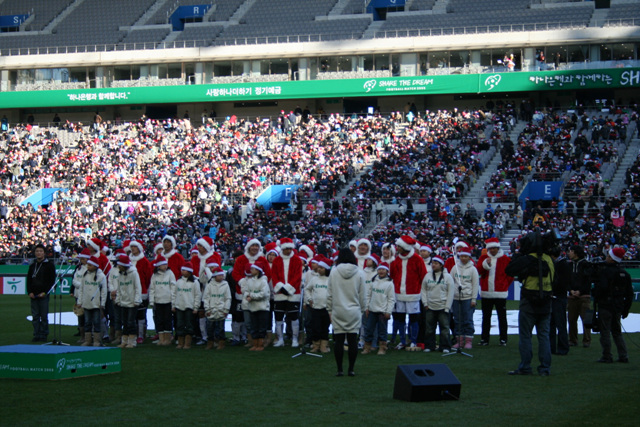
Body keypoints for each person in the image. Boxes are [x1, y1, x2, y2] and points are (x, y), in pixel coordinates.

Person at [505, 232, 555, 376]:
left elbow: (509, 270)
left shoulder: (527, 259)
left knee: (525, 336)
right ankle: (545, 368)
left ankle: (525, 366)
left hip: (529, 303)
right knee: (544, 336)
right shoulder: (549, 260)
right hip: (546, 302)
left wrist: (519, 255)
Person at [327, 248, 366, 377]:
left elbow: (330, 294)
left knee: (338, 341)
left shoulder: (334, 272)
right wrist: (362, 309)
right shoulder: (360, 273)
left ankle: (339, 369)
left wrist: (329, 310)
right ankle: (351, 369)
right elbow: (362, 295)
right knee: (352, 341)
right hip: (354, 310)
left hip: (338, 309)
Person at [594, 247, 633, 363]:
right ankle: (623, 355)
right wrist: (625, 309)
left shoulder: (605, 272)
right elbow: (629, 294)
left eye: (608, 256)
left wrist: (597, 294)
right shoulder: (624, 274)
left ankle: (607, 355)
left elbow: (602, 288)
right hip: (618, 306)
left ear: (611, 258)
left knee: (605, 331)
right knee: (617, 332)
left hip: (606, 304)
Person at [390, 235, 427, 351]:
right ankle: (402, 341)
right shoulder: (396, 259)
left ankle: (413, 340)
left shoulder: (417, 259)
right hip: (399, 293)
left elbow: (423, 276)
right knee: (400, 319)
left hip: (413, 294)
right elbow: (393, 275)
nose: (397, 248)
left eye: (399, 246)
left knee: (413, 319)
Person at [477, 237, 512, 346]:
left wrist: (504, 285)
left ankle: (503, 339)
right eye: (490, 248)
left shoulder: (505, 259)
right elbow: (479, 271)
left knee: (502, 317)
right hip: (486, 292)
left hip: (500, 293)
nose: (492, 250)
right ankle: (484, 339)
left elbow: (510, 275)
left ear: (498, 248)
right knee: (486, 317)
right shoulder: (483, 258)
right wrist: (485, 265)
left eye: (494, 248)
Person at [271, 238, 303, 347]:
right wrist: (280, 287)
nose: (289, 251)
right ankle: (280, 339)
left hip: (293, 293)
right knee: (278, 317)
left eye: (290, 248)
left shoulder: (297, 260)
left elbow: (298, 276)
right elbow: (274, 276)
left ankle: (295, 339)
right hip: (280, 294)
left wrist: (288, 288)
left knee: (294, 317)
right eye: (286, 248)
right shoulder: (276, 260)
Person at [421, 256, 455, 353]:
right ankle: (429, 346)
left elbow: (450, 293)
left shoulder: (447, 277)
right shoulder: (427, 276)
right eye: (432, 263)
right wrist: (425, 303)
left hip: (443, 306)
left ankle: (445, 346)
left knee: (444, 328)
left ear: (441, 265)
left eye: (436, 263)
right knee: (429, 328)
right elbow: (423, 290)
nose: (433, 265)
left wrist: (447, 306)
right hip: (430, 306)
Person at [449, 248, 479, 350]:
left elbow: (475, 285)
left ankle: (469, 340)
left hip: (468, 298)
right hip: (456, 298)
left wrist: (473, 299)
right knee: (457, 320)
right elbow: (451, 282)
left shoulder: (473, 269)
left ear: (469, 257)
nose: (463, 258)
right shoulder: (455, 268)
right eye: (462, 256)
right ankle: (459, 341)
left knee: (468, 320)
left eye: (465, 256)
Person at [363, 262, 395, 355]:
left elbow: (391, 299)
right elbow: (368, 295)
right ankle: (367, 347)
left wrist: (388, 311)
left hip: (382, 312)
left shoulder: (389, 284)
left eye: (383, 269)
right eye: (379, 269)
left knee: (382, 331)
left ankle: (382, 348)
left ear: (387, 271)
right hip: (372, 310)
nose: (381, 271)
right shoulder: (374, 281)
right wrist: (367, 307)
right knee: (368, 329)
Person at [26, 244, 56, 342]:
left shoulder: (49, 265)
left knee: (43, 316)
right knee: (35, 316)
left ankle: (43, 334)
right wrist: (29, 292)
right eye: (37, 251)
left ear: (44, 253)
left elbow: (51, 280)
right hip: (33, 294)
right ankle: (36, 334)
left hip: (43, 294)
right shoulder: (32, 265)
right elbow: (29, 280)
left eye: (40, 251)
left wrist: (45, 292)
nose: (39, 253)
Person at [76, 256, 107, 347]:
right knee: (87, 322)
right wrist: (79, 301)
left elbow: (104, 291)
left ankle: (97, 340)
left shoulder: (101, 276)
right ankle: (88, 340)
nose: (88, 267)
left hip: (96, 304)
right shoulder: (85, 275)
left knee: (96, 322)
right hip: (86, 303)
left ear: (95, 266)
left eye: (90, 265)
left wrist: (103, 303)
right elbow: (81, 289)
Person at [113, 255, 142, 349]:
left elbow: (138, 287)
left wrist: (137, 299)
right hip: (123, 302)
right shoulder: (120, 274)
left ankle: (132, 341)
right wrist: (118, 299)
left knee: (131, 322)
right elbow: (119, 288)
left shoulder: (134, 273)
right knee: (124, 322)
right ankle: (124, 341)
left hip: (132, 302)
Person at [304, 256, 332, 354]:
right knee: (315, 327)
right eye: (318, 267)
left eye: (321, 268)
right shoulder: (314, 279)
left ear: (326, 269)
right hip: (315, 308)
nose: (319, 269)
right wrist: (309, 299)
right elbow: (307, 289)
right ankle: (316, 345)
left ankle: (324, 345)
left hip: (327, 308)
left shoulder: (330, 279)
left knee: (325, 327)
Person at [567, 245, 593, 348]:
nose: (569, 253)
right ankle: (572, 339)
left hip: (584, 296)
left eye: (571, 251)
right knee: (571, 319)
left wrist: (580, 291)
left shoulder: (586, 265)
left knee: (586, 319)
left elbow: (588, 280)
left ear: (576, 253)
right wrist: (570, 290)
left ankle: (587, 340)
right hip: (572, 296)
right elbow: (566, 280)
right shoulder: (569, 265)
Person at [171, 262, 201, 350]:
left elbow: (197, 295)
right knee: (179, 324)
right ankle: (180, 342)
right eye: (182, 270)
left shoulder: (195, 282)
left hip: (189, 306)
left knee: (189, 324)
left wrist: (196, 307)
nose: (182, 272)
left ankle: (187, 343)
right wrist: (173, 305)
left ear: (189, 271)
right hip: (179, 306)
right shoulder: (179, 281)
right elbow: (174, 294)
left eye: (184, 270)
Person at [241, 264, 271, 351]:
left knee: (261, 326)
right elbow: (246, 291)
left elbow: (263, 294)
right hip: (252, 307)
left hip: (262, 307)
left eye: (253, 269)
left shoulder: (263, 281)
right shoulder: (250, 281)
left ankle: (260, 345)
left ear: (258, 270)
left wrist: (251, 296)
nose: (251, 270)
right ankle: (255, 344)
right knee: (254, 326)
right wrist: (248, 296)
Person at [148, 255, 176, 346]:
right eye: (163, 265)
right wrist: (152, 301)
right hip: (158, 301)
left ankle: (167, 339)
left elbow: (173, 287)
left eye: (166, 264)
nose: (165, 266)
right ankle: (161, 339)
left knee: (167, 320)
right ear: (158, 266)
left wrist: (173, 301)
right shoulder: (154, 275)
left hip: (167, 301)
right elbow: (152, 288)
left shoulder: (170, 273)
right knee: (159, 320)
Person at [203, 267, 231, 350]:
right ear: (215, 276)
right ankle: (210, 343)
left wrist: (226, 310)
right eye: (219, 275)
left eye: (222, 275)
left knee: (221, 328)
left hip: (221, 310)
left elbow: (228, 298)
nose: (221, 277)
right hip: (211, 310)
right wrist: (207, 309)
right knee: (209, 328)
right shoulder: (209, 285)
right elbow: (206, 298)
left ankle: (221, 343)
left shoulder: (225, 285)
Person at [549, 247, 570, 355]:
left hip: (558, 297)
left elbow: (561, 282)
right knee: (554, 324)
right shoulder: (563, 264)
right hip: (558, 297)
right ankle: (553, 347)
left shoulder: (562, 265)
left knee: (559, 324)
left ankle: (561, 347)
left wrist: (553, 290)